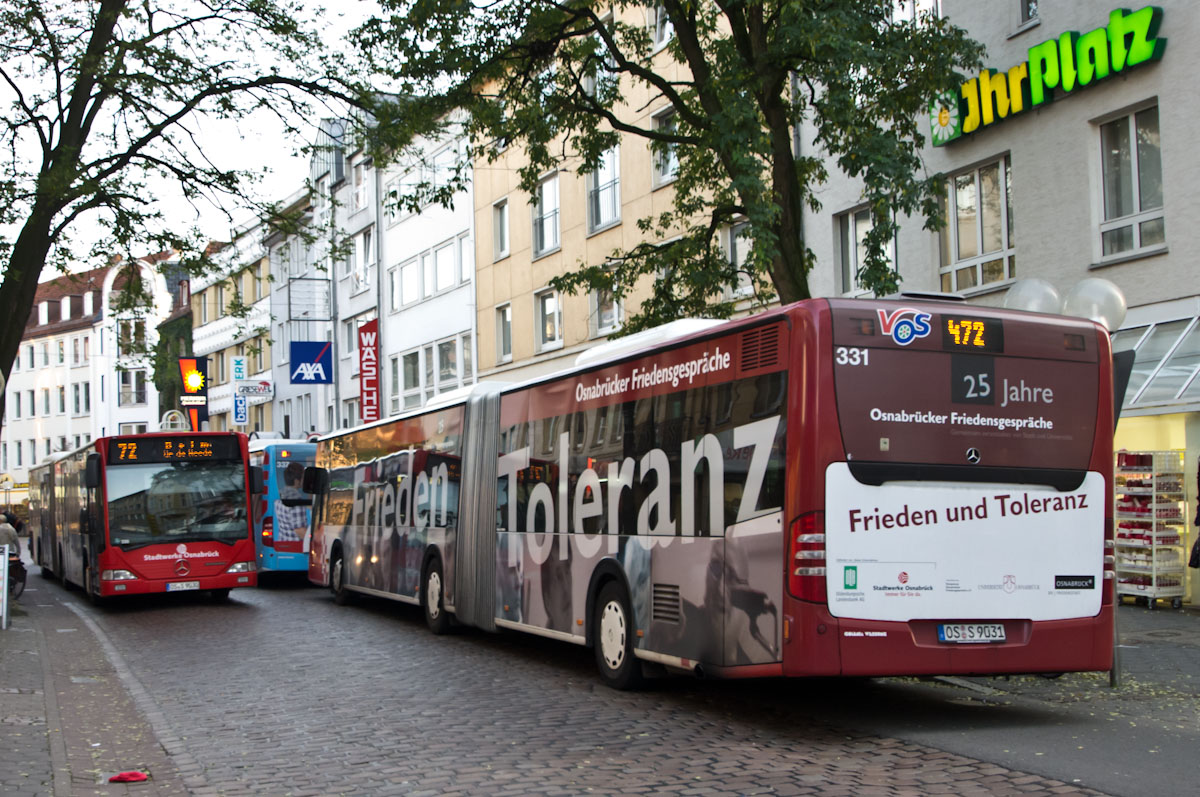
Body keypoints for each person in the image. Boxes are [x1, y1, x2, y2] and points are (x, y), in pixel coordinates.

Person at [274, 462, 310, 543]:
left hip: (283, 544)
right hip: (296, 548)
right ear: (297, 481)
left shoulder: (280, 495)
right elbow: (300, 531)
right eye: (303, 478)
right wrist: (316, 539)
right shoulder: (296, 500)